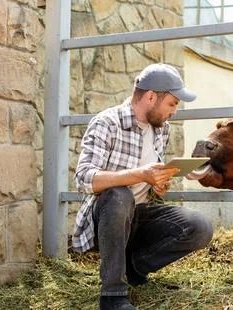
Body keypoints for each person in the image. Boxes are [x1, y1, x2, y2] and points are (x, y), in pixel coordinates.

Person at [72, 63, 214, 310]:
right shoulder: (107, 123)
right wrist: (139, 174)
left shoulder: (161, 129)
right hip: (107, 217)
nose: (175, 111)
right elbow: (84, 178)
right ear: (150, 97)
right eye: (172, 103)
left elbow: (149, 177)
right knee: (119, 195)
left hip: (140, 214)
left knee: (200, 227)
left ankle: (133, 267)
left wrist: (158, 183)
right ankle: (112, 296)